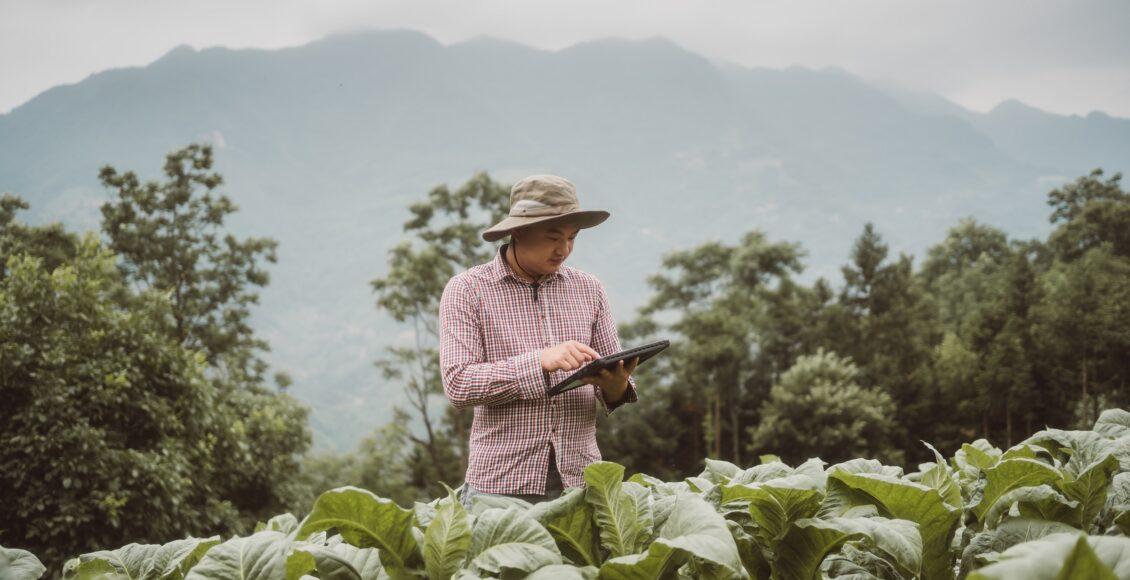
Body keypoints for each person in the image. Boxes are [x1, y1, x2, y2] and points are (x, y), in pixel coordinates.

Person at [438, 174, 639, 510]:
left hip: (581, 482)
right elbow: (458, 384)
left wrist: (616, 385)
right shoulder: (468, 289)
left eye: (572, 238)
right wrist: (539, 362)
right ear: (518, 232)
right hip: (501, 487)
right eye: (553, 237)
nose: (564, 249)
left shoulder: (590, 290)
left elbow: (616, 388)